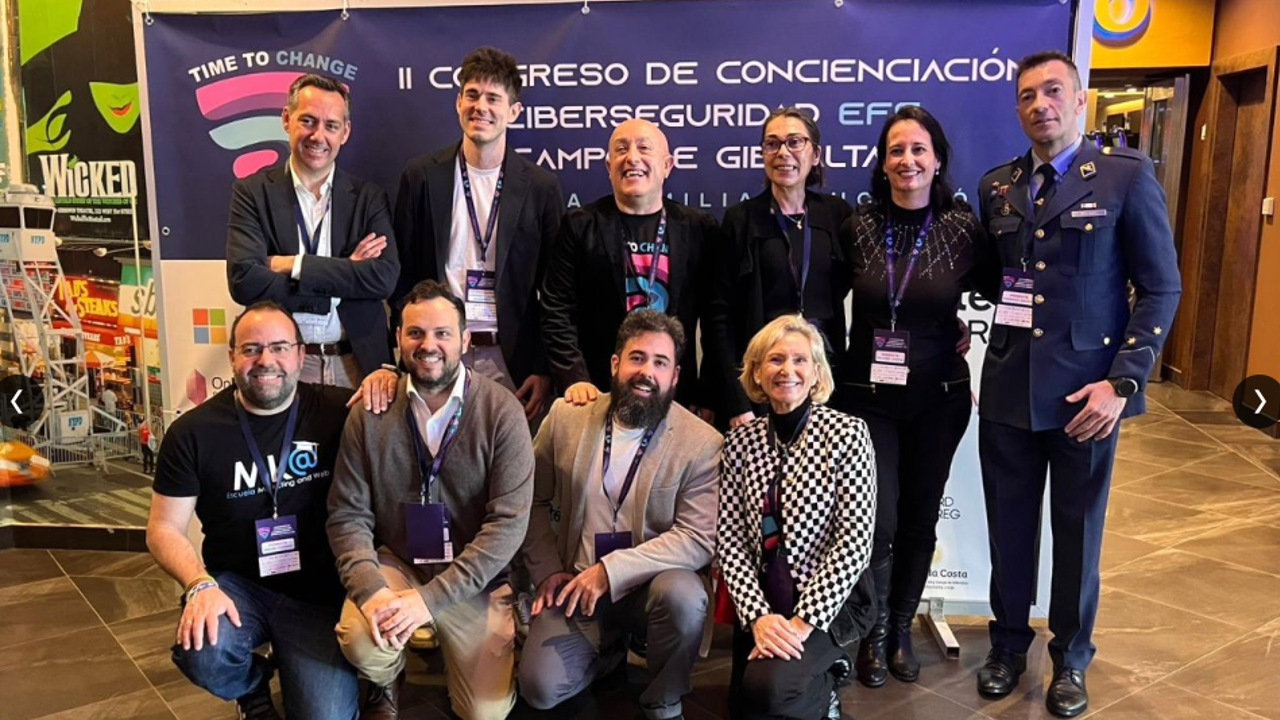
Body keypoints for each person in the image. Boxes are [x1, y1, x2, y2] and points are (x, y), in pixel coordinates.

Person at [972, 50, 1181, 717]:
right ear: (1017, 108)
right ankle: (1007, 646)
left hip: (1086, 396)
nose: (1041, 105)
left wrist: (1122, 384)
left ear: (1081, 99)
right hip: (1009, 389)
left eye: (1054, 91)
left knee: (1077, 534)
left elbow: (1160, 287)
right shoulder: (997, 186)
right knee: (1009, 532)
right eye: (1027, 95)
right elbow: (992, 283)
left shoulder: (1124, 177)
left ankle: (1071, 659)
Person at [327, 279, 534, 720]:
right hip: (399, 563)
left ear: (465, 340)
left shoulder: (502, 412)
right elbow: (347, 516)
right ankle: (386, 677)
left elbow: (508, 526)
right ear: (398, 339)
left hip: (472, 576)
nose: (428, 345)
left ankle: (479, 639)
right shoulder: (370, 411)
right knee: (361, 641)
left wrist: (428, 601)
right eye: (415, 333)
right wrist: (370, 592)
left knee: (484, 713)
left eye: (442, 333)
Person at [146, 301, 359, 720]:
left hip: (318, 591)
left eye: (279, 347)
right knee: (204, 652)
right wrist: (198, 584)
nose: (266, 360)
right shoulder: (193, 432)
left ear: (300, 354)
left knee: (327, 716)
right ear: (232, 357)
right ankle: (251, 686)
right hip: (237, 586)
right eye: (251, 349)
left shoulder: (341, 411)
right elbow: (163, 528)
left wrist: (384, 377)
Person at [519, 310, 721, 720]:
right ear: (615, 364)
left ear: (675, 375)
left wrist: (611, 571)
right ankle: (607, 651)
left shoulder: (701, 443)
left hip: (651, 588)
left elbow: (697, 538)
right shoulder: (567, 417)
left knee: (684, 598)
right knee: (539, 689)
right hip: (576, 583)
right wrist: (548, 571)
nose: (647, 372)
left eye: (660, 362)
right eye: (637, 358)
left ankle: (663, 700)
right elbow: (530, 501)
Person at [840, 106, 982, 688]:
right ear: (882, 163)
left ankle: (900, 628)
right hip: (868, 398)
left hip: (939, 399)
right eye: (895, 150)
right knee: (879, 521)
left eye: (918, 149)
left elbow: (1007, 289)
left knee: (921, 518)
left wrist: (968, 333)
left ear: (938, 159)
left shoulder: (962, 228)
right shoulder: (857, 225)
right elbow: (820, 302)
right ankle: (872, 631)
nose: (907, 161)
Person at [717, 315, 877, 720]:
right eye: (775, 359)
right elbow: (731, 541)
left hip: (830, 602)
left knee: (769, 691)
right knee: (746, 704)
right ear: (757, 372)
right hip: (765, 599)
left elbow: (855, 543)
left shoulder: (847, 434)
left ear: (816, 372)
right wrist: (757, 616)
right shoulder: (739, 442)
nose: (787, 369)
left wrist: (804, 623)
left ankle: (828, 683)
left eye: (800, 360)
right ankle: (813, 676)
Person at [392, 46, 564, 424]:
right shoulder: (421, 176)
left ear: (514, 111)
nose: (480, 107)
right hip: (437, 351)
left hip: (511, 361)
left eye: (493, 98)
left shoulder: (540, 187)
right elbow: (401, 271)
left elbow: (554, 290)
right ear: (458, 103)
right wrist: (408, 344)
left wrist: (544, 367)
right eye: (472, 95)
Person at [226, 73, 399, 388]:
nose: (318, 136)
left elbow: (383, 278)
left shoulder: (368, 197)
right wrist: (344, 275)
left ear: (345, 132)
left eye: (331, 125)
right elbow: (244, 281)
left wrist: (293, 265)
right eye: (308, 121)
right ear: (286, 119)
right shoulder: (252, 193)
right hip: (283, 363)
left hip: (357, 363)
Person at [541, 118, 717, 416]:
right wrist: (575, 378)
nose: (632, 158)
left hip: (675, 398)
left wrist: (708, 393)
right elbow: (556, 309)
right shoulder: (580, 226)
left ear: (667, 165)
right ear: (609, 167)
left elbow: (715, 319)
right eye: (621, 149)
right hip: (596, 394)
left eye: (644, 148)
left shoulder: (698, 229)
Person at [707, 107, 853, 429]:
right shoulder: (741, 219)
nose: (783, 152)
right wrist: (736, 401)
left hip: (822, 376)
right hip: (760, 382)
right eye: (772, 144)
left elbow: (868, 281)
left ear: (816, 154)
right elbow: (720, 316)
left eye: (794, 142)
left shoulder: (836, 215)